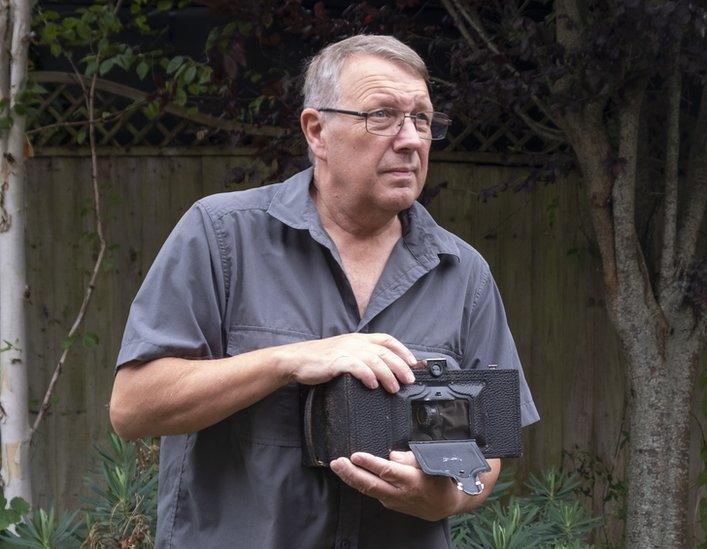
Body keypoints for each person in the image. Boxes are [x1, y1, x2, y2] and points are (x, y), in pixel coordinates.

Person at [109, 34, 539, 548]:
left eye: (421, 119)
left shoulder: (463, 273)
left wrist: (446, 498)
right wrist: (289, 361)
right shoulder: (222, 237)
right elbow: (134, 409)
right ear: (317, 131)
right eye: (382, 115)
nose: (410, 140)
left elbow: (488, 444)